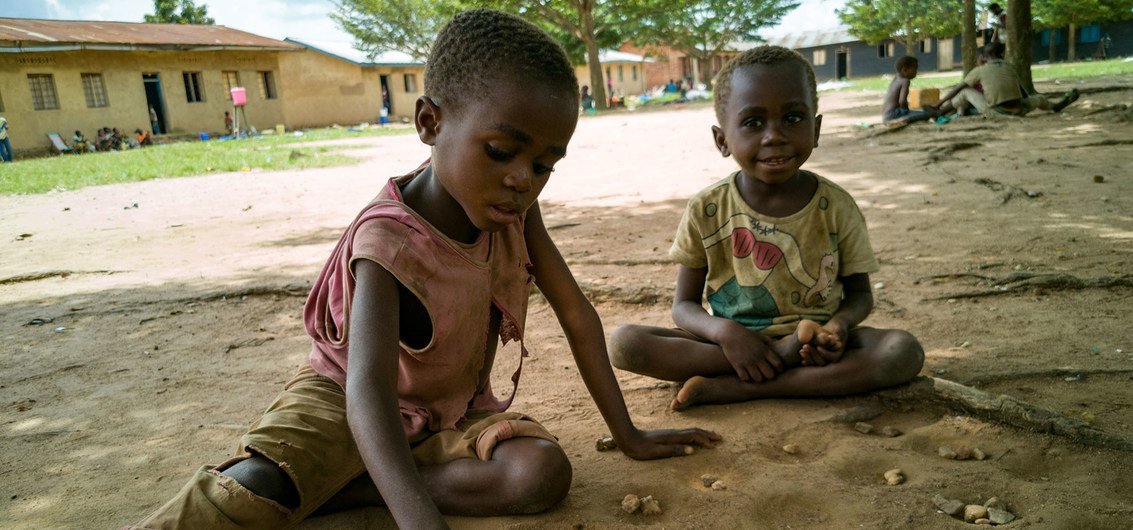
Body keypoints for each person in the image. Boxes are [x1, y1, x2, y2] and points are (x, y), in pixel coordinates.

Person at [124, 9, 718, 530]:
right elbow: (367, 392)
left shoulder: (514, 211)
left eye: (544, 164)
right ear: (430, 123)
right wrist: (421, 522)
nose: (522, 179)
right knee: (252, 488)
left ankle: (353, 487)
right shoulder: (386, 240)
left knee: (539, 475)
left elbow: (577, 317)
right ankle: (342, 482)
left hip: (451, 414)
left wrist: (631, 436)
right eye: (502, 151)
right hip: (342, 406)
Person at [607, 45, 925, 411]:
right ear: (722, 140)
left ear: (816, 128)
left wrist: (837, 327)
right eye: (753, 122)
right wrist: (725, 332)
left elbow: (860, 296)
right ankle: (777, 364)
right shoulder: (708, 208)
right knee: (626, 343)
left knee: (902, 351)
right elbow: (684, 307)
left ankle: (744, 388)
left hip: (816, 345)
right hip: (728, 347)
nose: (774, 135)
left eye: (793, 118)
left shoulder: (836, 206)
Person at [934, 42, 1080, 118]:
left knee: (965, 91)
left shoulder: (979, 70)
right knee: (1040, 98)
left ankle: (939, 112)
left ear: (984, 57)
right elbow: (1023, 92)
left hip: (997, 112)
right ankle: (1055, 106)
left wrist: (940, 102)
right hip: (1019, 109)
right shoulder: (1010, 66)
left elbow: (958, 88)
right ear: (1002, 54)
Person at [882, 56, 937, 126]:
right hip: (895, 114)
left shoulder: (896, 79)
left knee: (921, 112)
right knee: (927, 115)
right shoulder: (905, 81)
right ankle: (902, 120)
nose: (916, 72)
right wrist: (906, 111)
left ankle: (897, 120)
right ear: (905, 70)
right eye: (915, 69)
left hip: (886, 115)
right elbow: (902, 101)